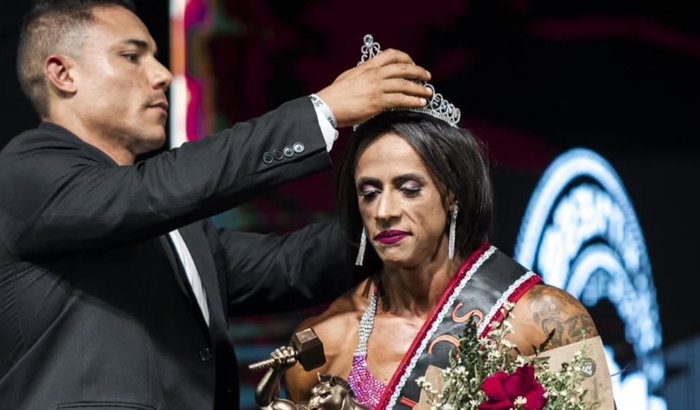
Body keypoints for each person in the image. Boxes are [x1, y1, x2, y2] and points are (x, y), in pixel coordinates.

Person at [0, 2, 434, 409]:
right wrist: (321, 112)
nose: (162, 75)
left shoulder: (173, 228)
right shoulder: (26, 173)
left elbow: (292, 266)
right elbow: (155, 190)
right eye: (132, 56)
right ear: (63, 74)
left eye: (156, 57)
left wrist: (410, 207)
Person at [284, 35, 615, 409]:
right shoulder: (322, 345)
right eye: (370, 192)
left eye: (409, 189)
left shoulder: (546, 321)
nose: (384, 211)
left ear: (453, 194)